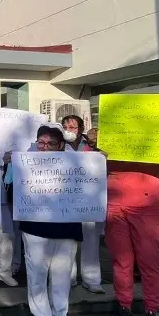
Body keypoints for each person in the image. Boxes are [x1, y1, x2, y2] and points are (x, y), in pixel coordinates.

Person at [88, 127, 159, 316]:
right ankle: (124, 306)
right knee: (122, 260)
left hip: (148, 203)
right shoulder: (110, 132)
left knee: (149, 260)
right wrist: (93, 143)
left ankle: (152, 310)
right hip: (115, 200)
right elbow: (87, 162)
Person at [14, 126, 84, 316]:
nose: (44, 148)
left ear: (61, 145)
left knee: (62, 275)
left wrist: (98, 164)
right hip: (36, 228)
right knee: (37, 275)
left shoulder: (76, 163)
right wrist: (9, 165)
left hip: (66, 227)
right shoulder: (25, 163)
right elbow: (12, 190)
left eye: (50, 144)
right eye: (40, 143)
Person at [62, 114, 104, 294]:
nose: (70, 131)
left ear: (81, 128)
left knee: (90, 239)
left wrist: (96, 145)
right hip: (66, 198)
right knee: (68, 239)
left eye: (73, 127)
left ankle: (92, 279)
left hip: (89, 198)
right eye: (66, 127)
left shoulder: (92, 145)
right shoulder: (59, 146)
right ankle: (69, 277)